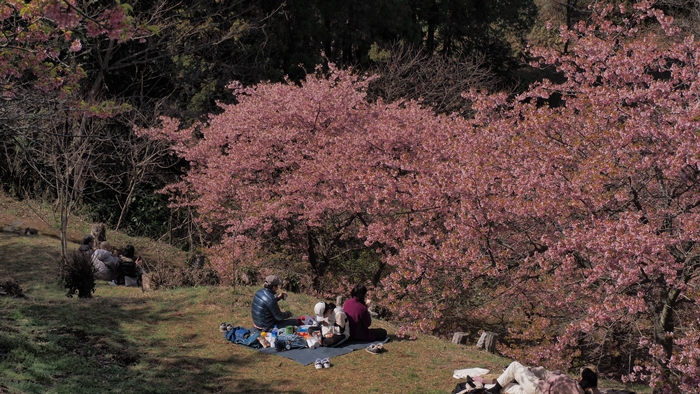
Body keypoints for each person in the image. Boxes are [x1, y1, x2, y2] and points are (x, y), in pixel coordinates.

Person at [485, 361, 599, 394]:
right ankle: (485, 387)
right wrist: (594, 386)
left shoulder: (570, 384)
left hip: (538, 389)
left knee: (515, 365)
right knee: (510, 387)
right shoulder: (581, 391)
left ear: (582, 379)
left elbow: (552, 379)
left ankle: (492, 389)